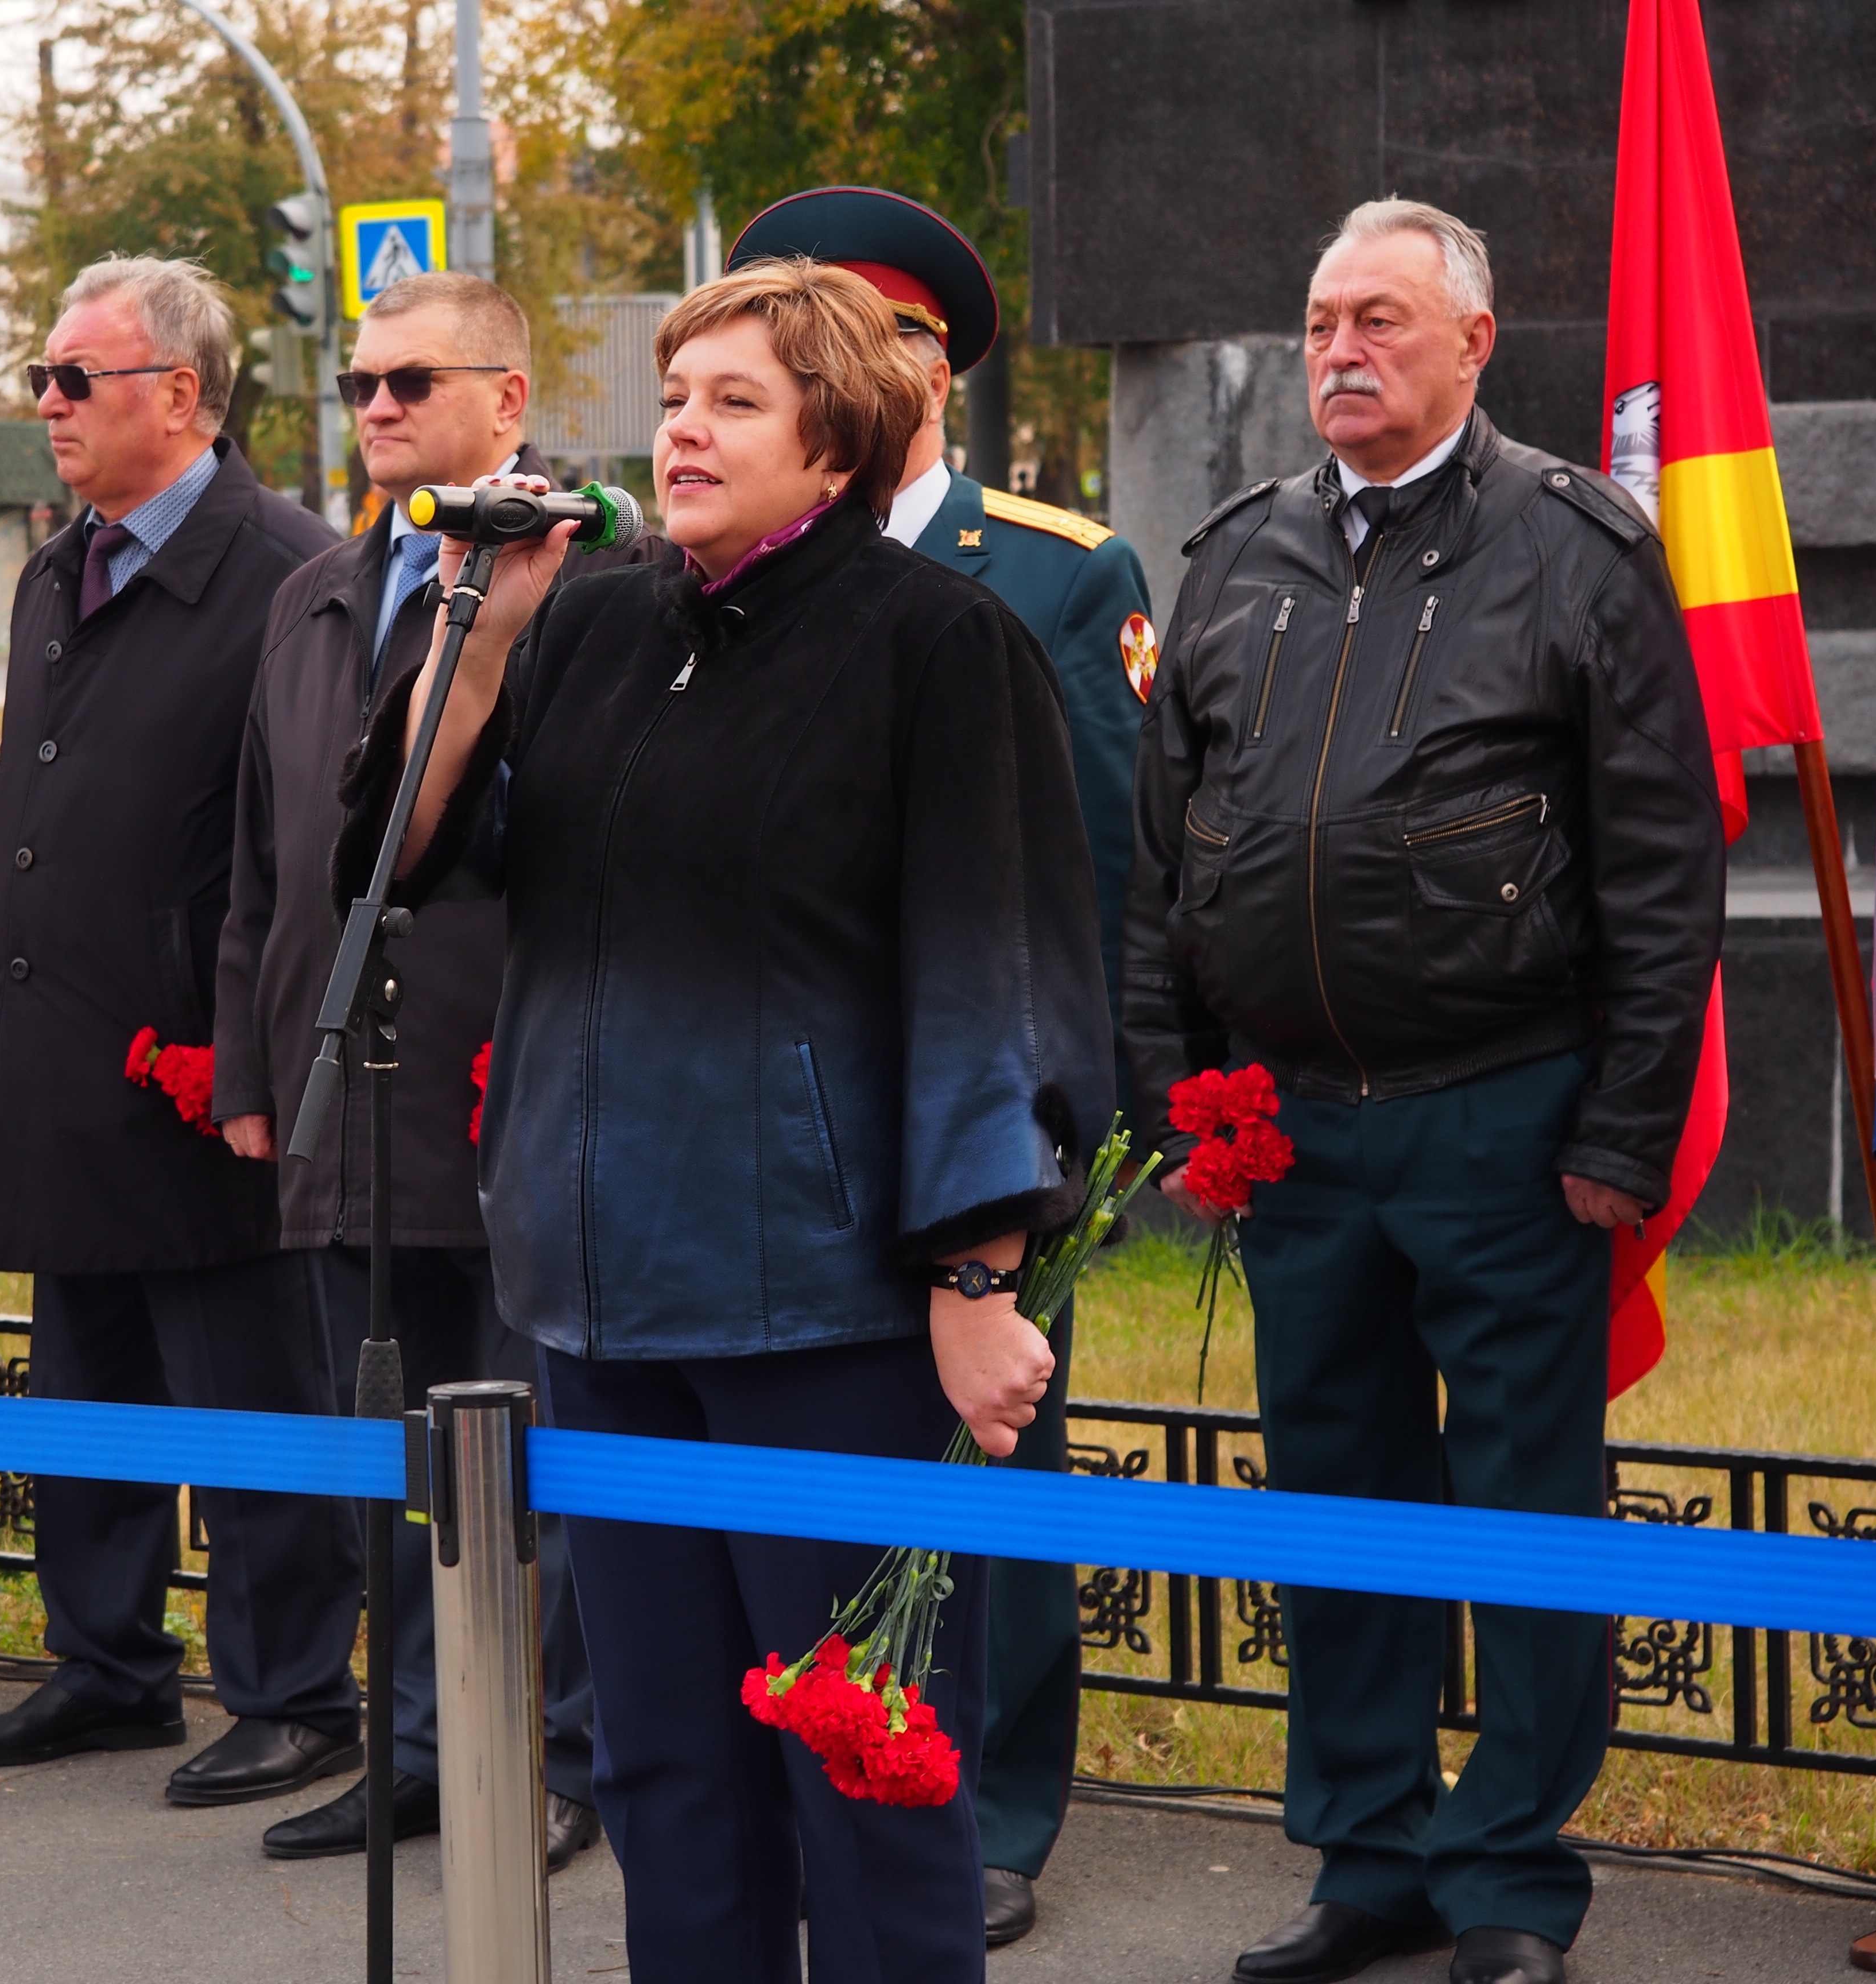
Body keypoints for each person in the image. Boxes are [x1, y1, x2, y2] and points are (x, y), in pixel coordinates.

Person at [344, 258, 1117, 1981]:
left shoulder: (941, 646)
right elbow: (401, 861)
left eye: (735, 404)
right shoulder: (596, 618)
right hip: (604, 1297)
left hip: (825, 1309)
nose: (684, 432)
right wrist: (474, 646)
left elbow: (1003, 968)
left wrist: (980, 1271)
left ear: (835, 445)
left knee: (864, 1771)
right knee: (664, 1774)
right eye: (676, 398)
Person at [1125, 200, 1721, 1984]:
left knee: (1526, 1500)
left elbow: (1664, 868)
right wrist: (1177, 1097)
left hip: (1506, 1116)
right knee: (1336, 1496)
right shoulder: (1236, 554)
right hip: (1295, 1133)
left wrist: (1621, 1134)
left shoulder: (1579, 546)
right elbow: (1166, 865)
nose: (1340, 353)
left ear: (1475, 338)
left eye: (1379, 319)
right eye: (1319, 322)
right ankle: (1370, 1856)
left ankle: (1514, 1881)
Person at [726, 185, 1158, 1951]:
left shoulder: (1057, 567)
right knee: (809, 1458)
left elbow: (1108, 856)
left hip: (984, 1090)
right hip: (779, 1107)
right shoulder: (721, 558)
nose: (855, 359)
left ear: (927, 370)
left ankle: (991, 1805)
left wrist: (1063, 1116)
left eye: (887, 333)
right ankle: (808, 1760)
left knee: (987, 1454)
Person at [213, 269, 659, 1869]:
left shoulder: (603, 586)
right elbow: (270, 862)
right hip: (353, 1095)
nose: (381, 410)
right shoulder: (319, 595)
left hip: (512, 1087)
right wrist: (253, 1062)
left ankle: (559, 1759)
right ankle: (410, 1744)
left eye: (413, 382)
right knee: (385, 1453)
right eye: (360, 387)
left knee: (538, 1460)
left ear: (510, 401)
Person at [0, 257, 365, 1811]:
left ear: (178, 397)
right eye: (43, 380)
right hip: (66, 1059)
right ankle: (107, 1670)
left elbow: (310, 846)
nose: (45, 405)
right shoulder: (63, 567)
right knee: (85, 1395)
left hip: (203, 1078)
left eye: (74, 380)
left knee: (253, 1402)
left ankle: (297, 1693)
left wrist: (245, 1053)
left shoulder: (291, 572)